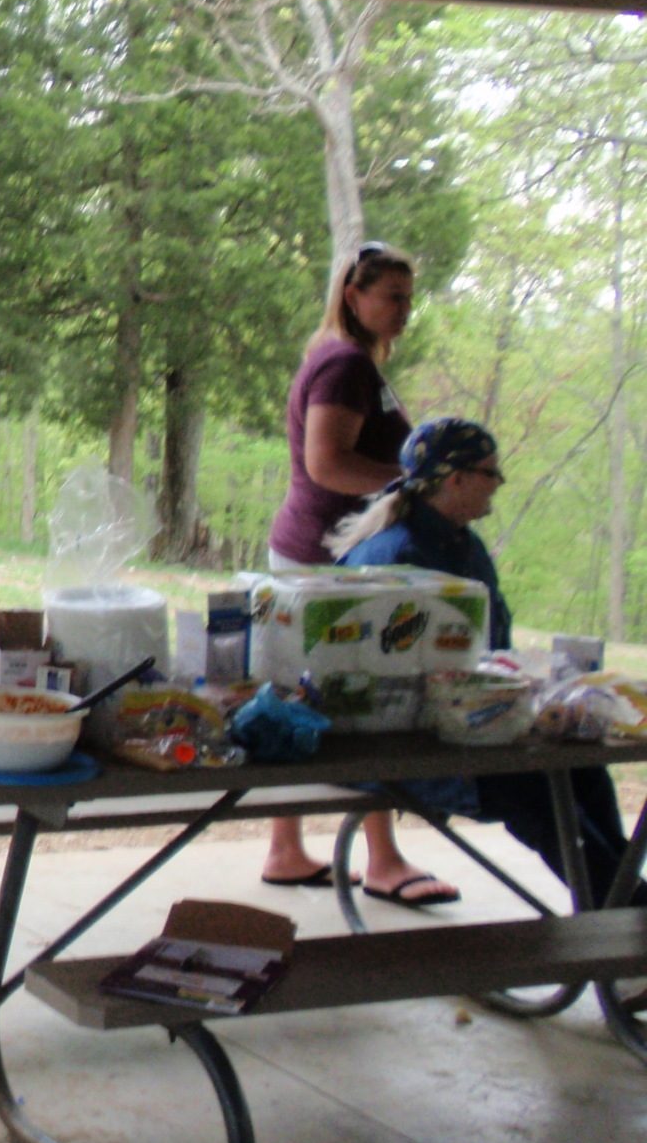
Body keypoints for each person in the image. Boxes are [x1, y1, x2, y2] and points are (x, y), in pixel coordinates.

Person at [331, 417, 644, 913]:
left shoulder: (463, 544)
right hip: (405, 740)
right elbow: (398, 679)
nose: (498, 483)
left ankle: (618, 901)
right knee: (533, 788)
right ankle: (621, 910)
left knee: (582, 766)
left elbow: (491, 651)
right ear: (456, 479)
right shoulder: (399, 556)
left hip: (467, 721)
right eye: (490, 472)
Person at [262, 243, 458, 905]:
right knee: (371, 704)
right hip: (326, 558)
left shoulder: (351, 362)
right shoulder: (344, 364)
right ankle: (383, 860)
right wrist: (415, 484)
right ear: (353, 295)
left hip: (317, 553)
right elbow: (327, 464)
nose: (405, 309)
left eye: (410, 297)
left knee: (303, 696)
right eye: (393, 296)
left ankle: (286, 850)